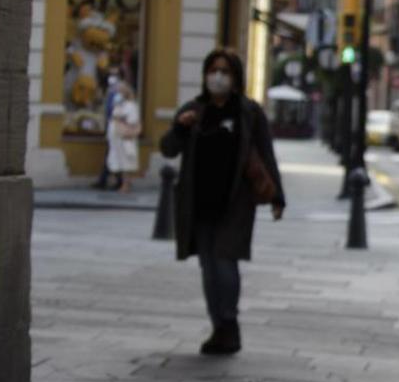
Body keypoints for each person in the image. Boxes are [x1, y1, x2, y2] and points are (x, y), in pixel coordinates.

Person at [160, 49, 286, 356]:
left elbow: (266, 153)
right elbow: (167, 148)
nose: (218, 77)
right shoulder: (195, 109)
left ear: (236, 77)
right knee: (208, 268)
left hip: (235, 202)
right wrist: (180, 127)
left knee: (225, 263)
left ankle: (229, 323)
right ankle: (218, 326)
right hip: (199, 201)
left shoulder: (249, 112)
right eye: (213, 70)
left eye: (225, 71)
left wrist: (277, 196)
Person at [105, 83, 141, 193]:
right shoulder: (119, 104)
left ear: (125, 92)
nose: (117, 93)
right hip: (117, 138)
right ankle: (119, 183)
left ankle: (126, 185)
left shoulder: (131, 105)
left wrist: (119, 118)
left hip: (125, 138)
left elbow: (132, 120)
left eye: (119, 91)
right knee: (117, 161)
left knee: (126, 163)